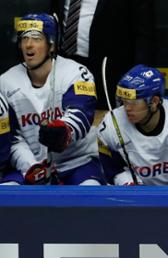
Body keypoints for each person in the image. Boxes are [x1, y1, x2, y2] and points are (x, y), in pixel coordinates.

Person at [0, 13, 104, 185]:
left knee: (90, 190)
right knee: (7, 191)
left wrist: (65, 130)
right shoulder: (6, 82)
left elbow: (82, 112)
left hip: (76, 163)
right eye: (24, 38)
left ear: (52, 45)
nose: (28, 44)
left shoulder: (76, 73)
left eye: (36, 38)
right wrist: (30, 166)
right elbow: (11, 138)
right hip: (30, 165)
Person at [97, 65, 168, 185]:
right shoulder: (110, 125)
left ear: (154, 102)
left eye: (133, 102)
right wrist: (128, 184)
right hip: (134, 199)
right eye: (124, 101)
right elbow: (112, 170)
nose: (127, 108)